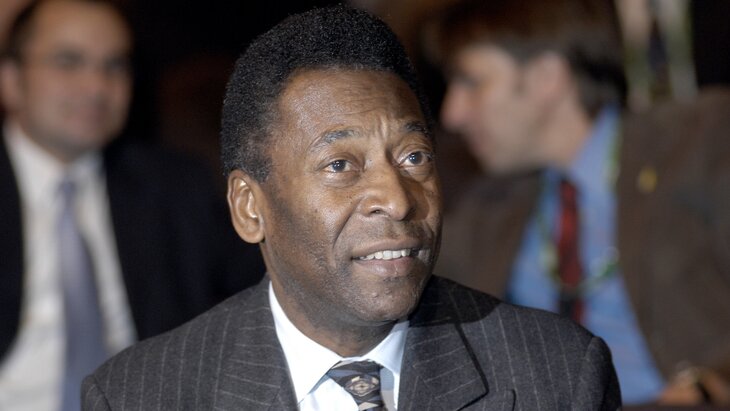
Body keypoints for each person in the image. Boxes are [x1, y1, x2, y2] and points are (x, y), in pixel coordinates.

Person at [81, 5, 620, 410]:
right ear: (249, 208)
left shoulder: (558, 375)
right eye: (340, 165)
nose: (396, 198)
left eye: (413, 157)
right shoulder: (139, 395)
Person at [431, 0, 730, 406]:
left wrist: (709, 385)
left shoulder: (701, 142)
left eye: (472, 83)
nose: (453, 114)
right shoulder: (489, 206)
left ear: (546, 77)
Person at [0, 1, 265, 410]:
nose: (96, 87)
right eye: (68, 62)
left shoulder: (175, 187)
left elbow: (259, 293)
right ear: (11, 79)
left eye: (114, 66)